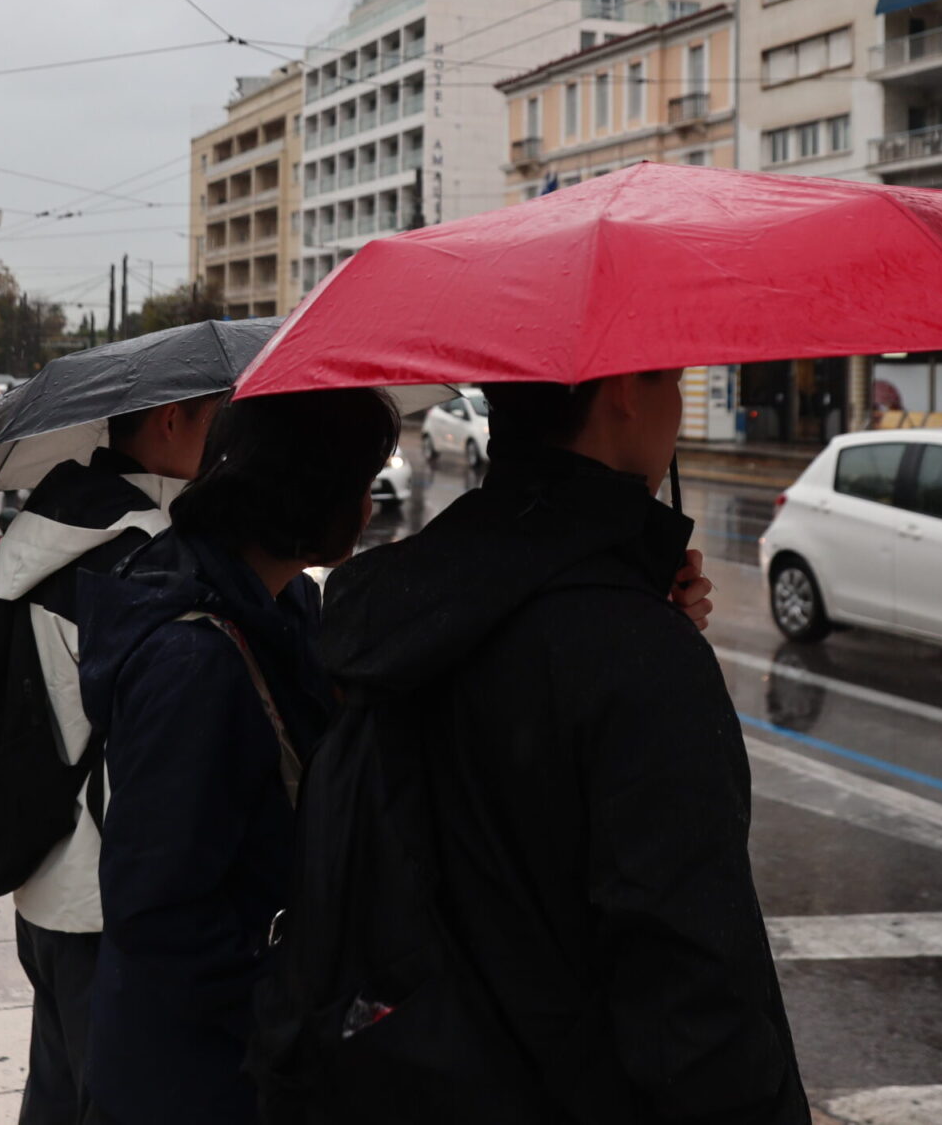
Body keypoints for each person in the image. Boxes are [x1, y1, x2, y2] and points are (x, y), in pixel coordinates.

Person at [301, 370, 807, 1123]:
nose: (675, 399)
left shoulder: (406, 609)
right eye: (668, 377)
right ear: (626, 391)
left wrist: (627, 592)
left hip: (414, 1071)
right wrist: (635, 632)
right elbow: (692, 998)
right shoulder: (633, 655)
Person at [76, 388, 399, 1125]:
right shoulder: (198, 661)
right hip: (199, 1076)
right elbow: (159, 910)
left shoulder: (277, 609)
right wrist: (284, 1016)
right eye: (360, 483)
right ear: (310, 493)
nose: (370, 506)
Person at [0, 395, 220, 1125]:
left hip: (41, 880)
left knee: (55, 1088)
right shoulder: (147, 556)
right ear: (172, 420)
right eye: (217, 418)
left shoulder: (41, 531)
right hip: (105, 894)